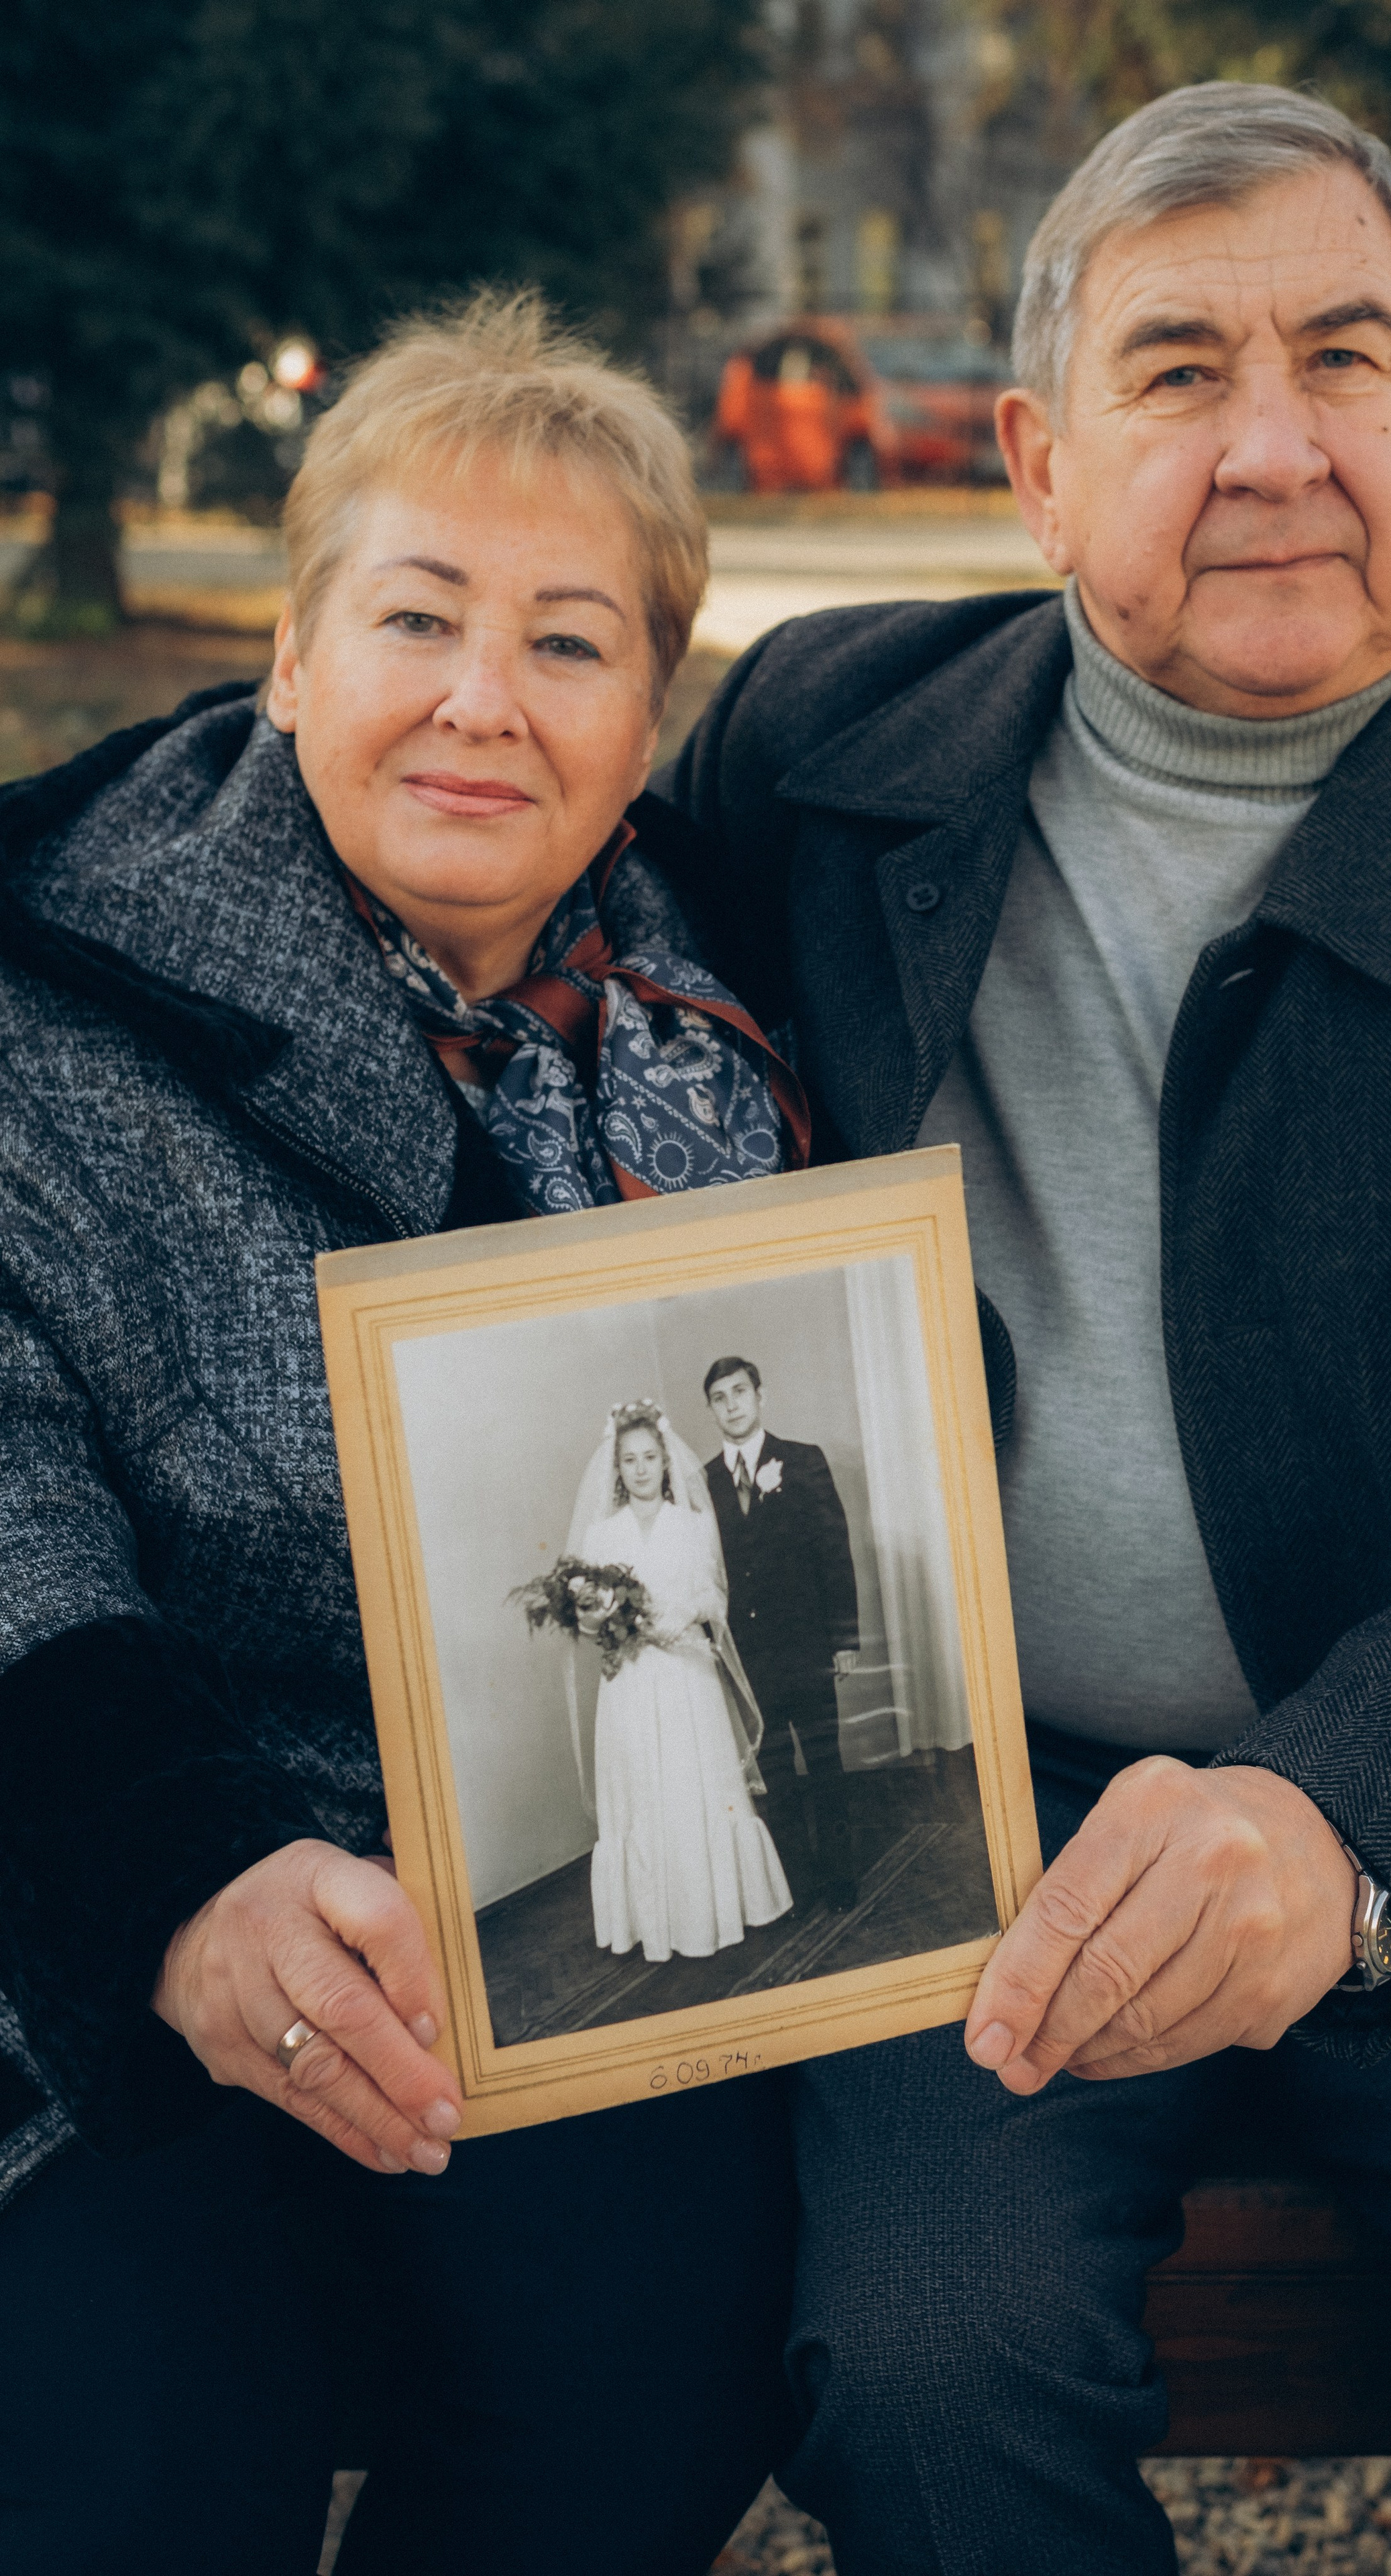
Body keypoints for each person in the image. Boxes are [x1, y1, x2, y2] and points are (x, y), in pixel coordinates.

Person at [673, 85, 1391, 2576]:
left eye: (1342, 357)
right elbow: (450, 849)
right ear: (1034, 464)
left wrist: (1329, 1817)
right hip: (970, 1825)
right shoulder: (814, 752)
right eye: (1173, 372)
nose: (1268, 446)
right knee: (920, 2361)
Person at [0, 289, 808, 2575]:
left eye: (569, 642)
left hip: (529, 1910)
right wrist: (171, 1871)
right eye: (417, 615)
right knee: (148, 2446)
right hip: (79, 1887)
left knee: (661, 2353)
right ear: (287, 658)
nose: (481, 697)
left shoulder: (716, 1028)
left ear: (650, 719)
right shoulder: (56, 985)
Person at [572, 1399, 792, 1960]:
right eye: (629, 1460)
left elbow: (713, 1594)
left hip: (685, 1673)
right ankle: (651, 1921)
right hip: (630, 1680)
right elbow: (584, 1612)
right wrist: (603, 1615)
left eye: (650, 1457)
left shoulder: (692, 1523)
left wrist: (672, 1621)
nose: (641, 1469)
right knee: (643, 1786)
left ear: (667, 1462)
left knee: (695, 1783)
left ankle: (716, 1910)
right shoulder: (601, 1534)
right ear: (616, 1468)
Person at [704, 1356, 863, 1909]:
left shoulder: (802, 1461)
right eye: (720, 1397)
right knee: (773, 1772)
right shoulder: (702, 1484)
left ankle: (842, 1880)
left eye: (740, 1392)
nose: (732, 1405)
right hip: (750, 1658)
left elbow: (833, 1552)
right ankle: (794, 1882)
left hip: (808, 1647)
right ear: (712, 1410)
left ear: (760, 1396)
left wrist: (844, 1638)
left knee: (824, 1762)